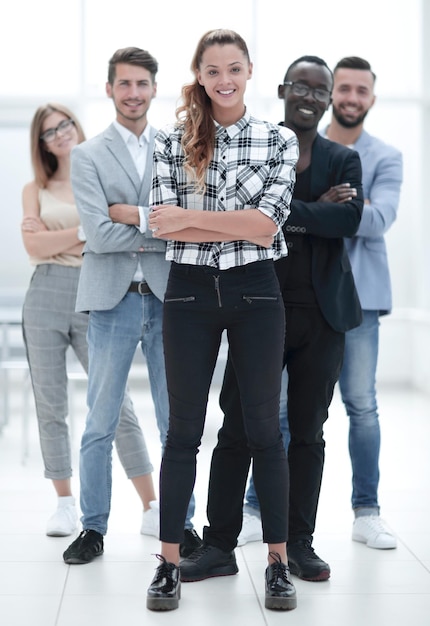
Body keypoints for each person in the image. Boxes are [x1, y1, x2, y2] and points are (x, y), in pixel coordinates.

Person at [191, 55, 364, 583]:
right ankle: (219, 545)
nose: (310, 97)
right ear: (284, 90)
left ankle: (298, 546)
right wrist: (311, 211)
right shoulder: (263, 145)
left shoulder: (342, 159)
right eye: (301, 87)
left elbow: (348, 220)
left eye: (321, 90)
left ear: (330, 97)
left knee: (308, 433)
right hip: (256, 310)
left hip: (323, 317)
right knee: (239, 427)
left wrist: (286, 210)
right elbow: (250, 214)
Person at [145, 29, 299, 612]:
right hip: (187, 294)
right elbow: (162, 226)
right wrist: (225, 220)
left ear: (250, 71)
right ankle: (167, 565)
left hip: (256, 292)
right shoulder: (171, 141)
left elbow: (266, 227)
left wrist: (193, 216)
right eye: (214, 70)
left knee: (265, 428)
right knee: (182, 431)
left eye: (234, 68)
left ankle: (278, 564)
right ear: (200, 75)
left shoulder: (276, 139)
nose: (225, 80)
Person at [62, 47, 201, 565]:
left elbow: (189, 225)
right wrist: (156, 224)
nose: (134, 93)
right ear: (110, 89)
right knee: (100, 420)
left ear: (153, 88)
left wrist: (135, 216)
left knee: (176, 422)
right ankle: (93, 528)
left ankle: (181, 525)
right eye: (125, 84)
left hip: (171, 300)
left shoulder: (178, 148)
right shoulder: (89, 154)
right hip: (111, 302)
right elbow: (97, 235)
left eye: (142, 84)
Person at [21, 103, 156, 539]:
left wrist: (65, 236)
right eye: (49, 132)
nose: (60, 134)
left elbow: (120, 232)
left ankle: (151, 504)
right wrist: (88, 230)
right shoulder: (35, 188)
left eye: (64, 124)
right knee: (50, 402)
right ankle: (64, 503)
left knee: (116, 407)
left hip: (97, 291)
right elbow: (34, 248)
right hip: (44, 294)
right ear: (41, 144)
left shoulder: (99, 169)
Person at [324, 56, 402, 549]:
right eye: (344, 88)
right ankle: (256, 508)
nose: (352, 97)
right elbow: (291, 213)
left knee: (361, 406)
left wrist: (330, 207)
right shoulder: (305, 145)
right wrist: (355, 206)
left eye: (362, 90)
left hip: (362, 298)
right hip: (305, 294)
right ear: (333, 92)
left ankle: (367, 512)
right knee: (281, 407)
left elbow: (381, 219)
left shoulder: (387, 156)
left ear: (371, 97)